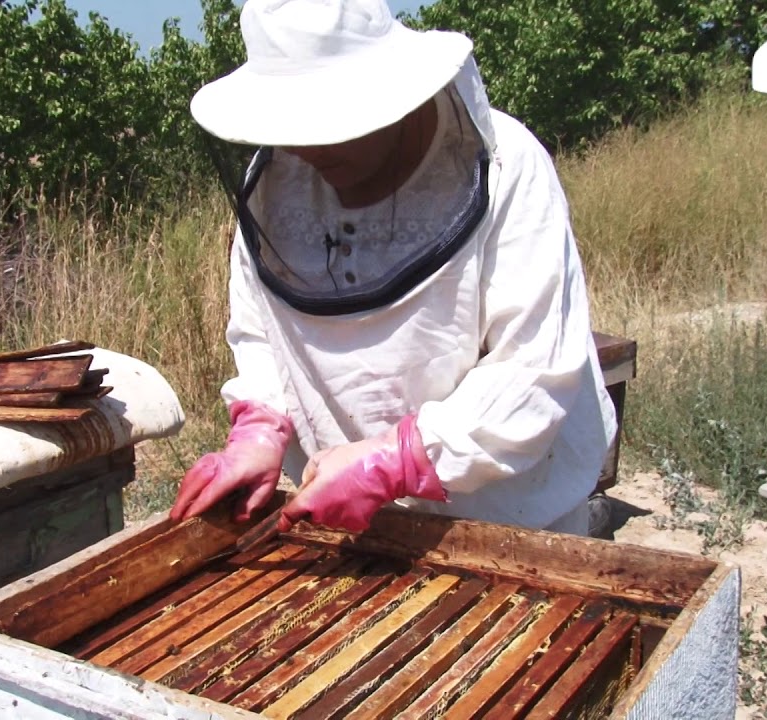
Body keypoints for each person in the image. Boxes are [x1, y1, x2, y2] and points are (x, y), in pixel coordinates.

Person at [168, 0, 617, 537]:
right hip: (349, 526)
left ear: (391, 93)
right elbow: (264, 334)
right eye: (292, 122)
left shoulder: (508, 169)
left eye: (330, 119)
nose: (307, 149)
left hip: (508, 518)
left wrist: (400, 459)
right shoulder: (272, 191)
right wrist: (260, 428)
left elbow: (534, 368)